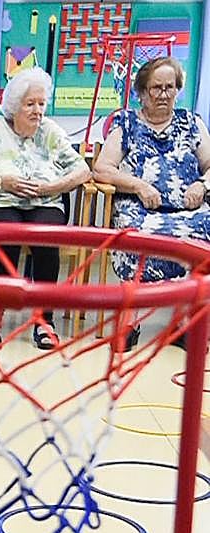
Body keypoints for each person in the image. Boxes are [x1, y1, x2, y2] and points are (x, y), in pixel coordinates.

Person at [0, 67, 90, 349]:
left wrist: (52, 187)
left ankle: (44, 319)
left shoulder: (51, 132)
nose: (38, 110)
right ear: (15, 105)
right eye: (30, 104)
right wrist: (2, 181)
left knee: (47, 236)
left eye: (41, 103)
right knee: (10, 234)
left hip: (44, 199)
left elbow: (83, 171)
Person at [93, 57, 210, 348]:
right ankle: (129, 323)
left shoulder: (192, 123)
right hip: (140, 207)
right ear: (142, 92)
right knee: (135, 234)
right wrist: (139, 185)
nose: (164, 94)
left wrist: (202, 184)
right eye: (156, 88)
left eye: (170, 87)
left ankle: (186, 323)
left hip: (189, 208)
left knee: (203, 231)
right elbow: (102, 168)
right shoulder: (126, 123)